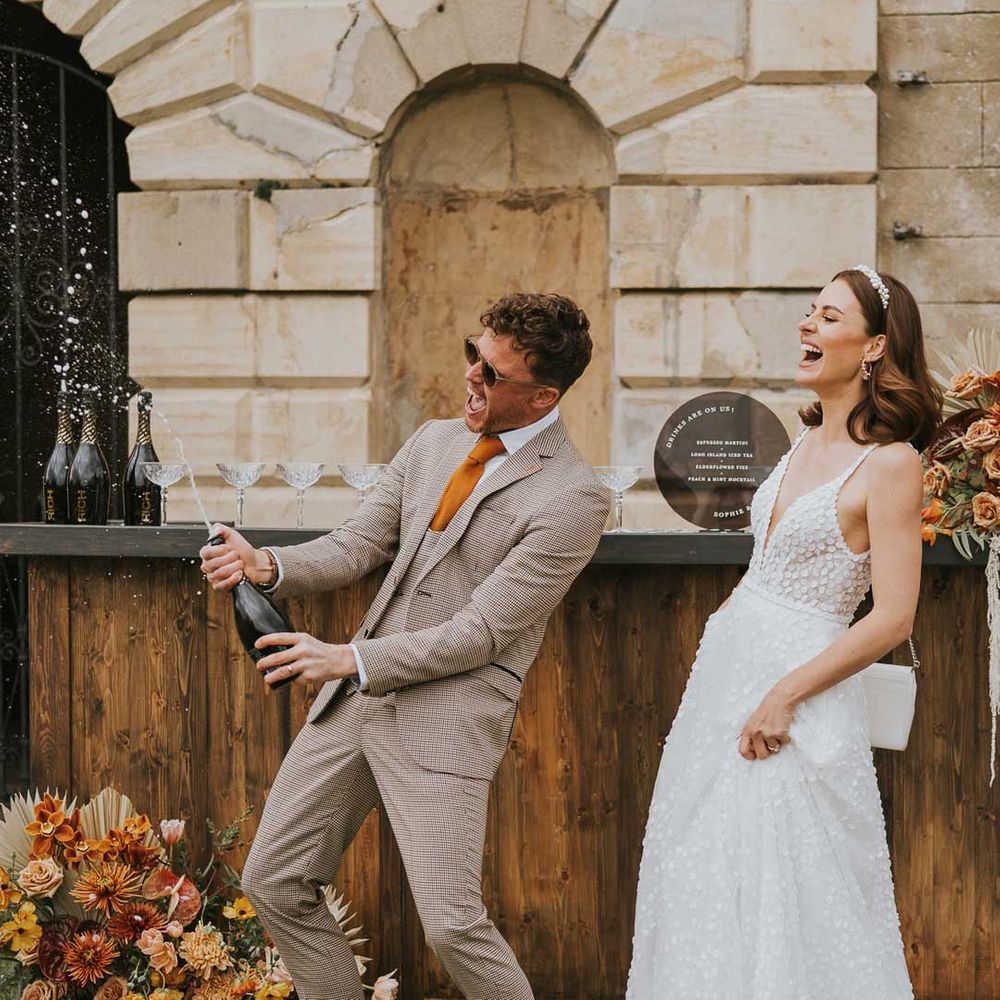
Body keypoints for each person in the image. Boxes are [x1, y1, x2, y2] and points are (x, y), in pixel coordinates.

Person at [200, 292, 611, 1000]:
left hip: (444, 720)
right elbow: (360, 544)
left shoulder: (575, 497)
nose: (473, 377)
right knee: (274, 878)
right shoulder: (432, 442)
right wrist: (268, 564)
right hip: (353, 705)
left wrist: (351, 659)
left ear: (544, 395)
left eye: (494, 373)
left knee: (452, 925)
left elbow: (483, 632)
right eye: (472, 356)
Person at [626, 266, 942, 999]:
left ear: (871, 348)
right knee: (699, 871)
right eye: (809, 313)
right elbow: (766, 568)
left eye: (828, 317)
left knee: (791, 889)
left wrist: (784, 694)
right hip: (724, 681)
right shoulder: (798, 447)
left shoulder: (891, 464)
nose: (806, 326)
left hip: (799, 693)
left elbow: (895, 615)